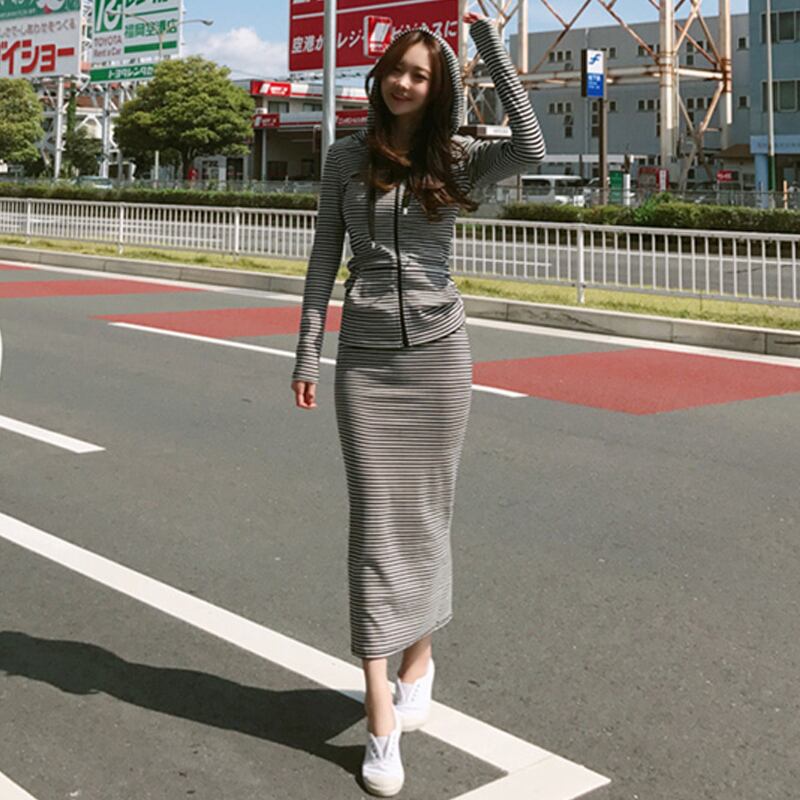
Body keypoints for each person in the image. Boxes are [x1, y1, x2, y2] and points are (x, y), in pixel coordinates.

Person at [291, 12, 545, 796]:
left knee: (430, 514)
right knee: (375, 526)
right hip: (366, 362)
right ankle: (381, 718)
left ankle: (420, 659)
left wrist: (489, 51)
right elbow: (324, 256)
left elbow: (533, 147)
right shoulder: (345, 156)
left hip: (439, 355)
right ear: (380, 78)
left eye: (420, 75)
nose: (404, 83)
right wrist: (306, 350)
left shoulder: (458, 158)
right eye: (396, 70)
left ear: (438, 89)